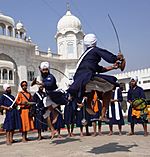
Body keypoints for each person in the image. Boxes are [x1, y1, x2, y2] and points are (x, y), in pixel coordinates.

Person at [67, 33, 125, 122]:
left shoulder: (86, 56)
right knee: (111, 84)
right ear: (95, 42)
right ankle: (103, 114)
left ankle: (88, 105)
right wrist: (118, 57)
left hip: (80, 81)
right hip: (87, 77)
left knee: (91, 87)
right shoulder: (95, 50)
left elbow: (99, 69)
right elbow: (110, 58)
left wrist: (112, 67)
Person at [32, 61, 68, 139]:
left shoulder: (50, 77)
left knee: (47, 104)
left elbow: (50, 84)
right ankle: (52, 129)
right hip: (49, 96)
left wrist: (39, 83)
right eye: (43, 70)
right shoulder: (43, 76)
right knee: (45, 114)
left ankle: (55, 113)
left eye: (46, 70)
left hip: (55, 95)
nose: (45, 71)